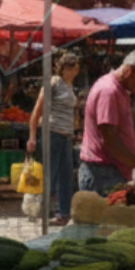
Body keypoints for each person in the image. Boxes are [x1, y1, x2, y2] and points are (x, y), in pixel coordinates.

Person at [79, 48, 135, 193]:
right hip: (103, 174)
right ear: (131, 70)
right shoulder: (109, 91)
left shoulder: (119, 90)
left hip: (110, 172)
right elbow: (109, 138)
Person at [27, 52, 82, 223]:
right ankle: (44, 211)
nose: (76, 71)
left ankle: (64, 213)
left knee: (66, 175)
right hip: (52, 133)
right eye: (74, 68)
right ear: (66, 68)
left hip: (66, 136)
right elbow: (37, 110)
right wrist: (32, 136)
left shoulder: (69, 86)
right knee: (51, 174)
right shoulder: (53, 83)